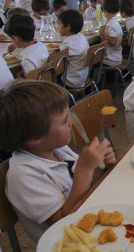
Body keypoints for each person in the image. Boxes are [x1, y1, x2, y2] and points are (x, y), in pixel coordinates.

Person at [1, 80, 116, 243]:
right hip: (67, 242)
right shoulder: (23, 175)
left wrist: (99, 167)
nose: (71, 123)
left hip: (92, 223)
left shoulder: (57, 149)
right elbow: (65, 222)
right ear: (36, 138)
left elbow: (85, 188)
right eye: (63, 121)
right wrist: (84, 170)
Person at [57, 10, 89, 88]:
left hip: (70, 81)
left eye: (59, 24)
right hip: (83, 76)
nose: (57, 26)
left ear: (68, 27)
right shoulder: (81, 36)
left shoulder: (67, 44)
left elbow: (58, 64)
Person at [99, 0, 123, 67]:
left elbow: (113, 41)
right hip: (117, 56)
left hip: (110, 60)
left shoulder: (111, 26)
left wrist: (102, 34)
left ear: (104, 9)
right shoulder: (114, 21)